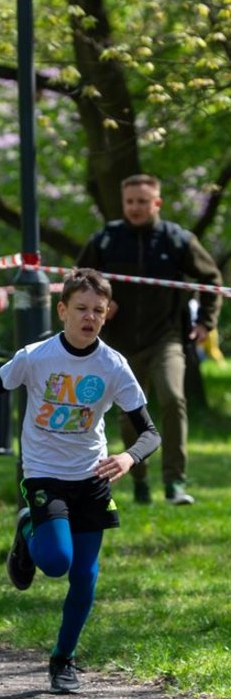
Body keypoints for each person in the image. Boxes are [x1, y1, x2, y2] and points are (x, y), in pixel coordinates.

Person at [0, 269, 161, 695]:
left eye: (98, 310)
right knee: (56, 562)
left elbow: (151, 432)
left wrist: (129, 457)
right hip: (44, 474)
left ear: (106, 315)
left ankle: (63, 659)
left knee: (85, 576)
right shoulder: (36, 357)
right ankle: (27, 526)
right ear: (62, 311)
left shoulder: (113, 365)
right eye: (80, 309)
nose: (89, 317)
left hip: (91, 477)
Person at [77, 173, 223, 505]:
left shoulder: (177, 240)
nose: (135, 208)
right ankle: (139, 479)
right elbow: (80, 277)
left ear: (156, 203)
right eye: (130, 202)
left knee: (173, 399)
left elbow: (212, 278)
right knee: (130, 413)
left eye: (143, 202)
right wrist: (100, 304)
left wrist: (205, 323)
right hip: (120, 343)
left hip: (166, 337)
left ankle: (175, 483)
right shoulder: (106, 240)